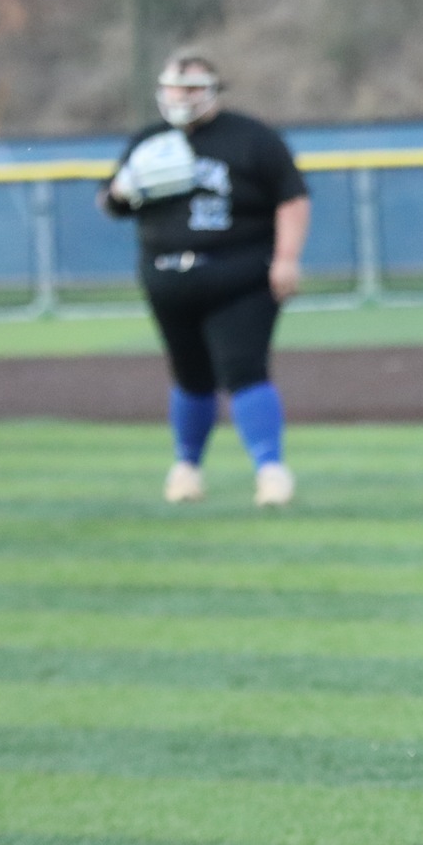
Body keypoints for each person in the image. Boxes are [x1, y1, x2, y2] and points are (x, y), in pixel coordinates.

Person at [103, 50, 311, 506]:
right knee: (190, 375)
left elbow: (292, 198)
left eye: (194, 88)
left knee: (243, 368)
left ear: (214, 91)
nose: (183, 97)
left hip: (238, 275)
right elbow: (113, 205)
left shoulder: (251, 138)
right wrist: (122, 188)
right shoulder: (150, 140)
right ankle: (186, 469)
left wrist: (287, 258)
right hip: (168, 277)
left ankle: (271, 471)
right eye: (175, 88)